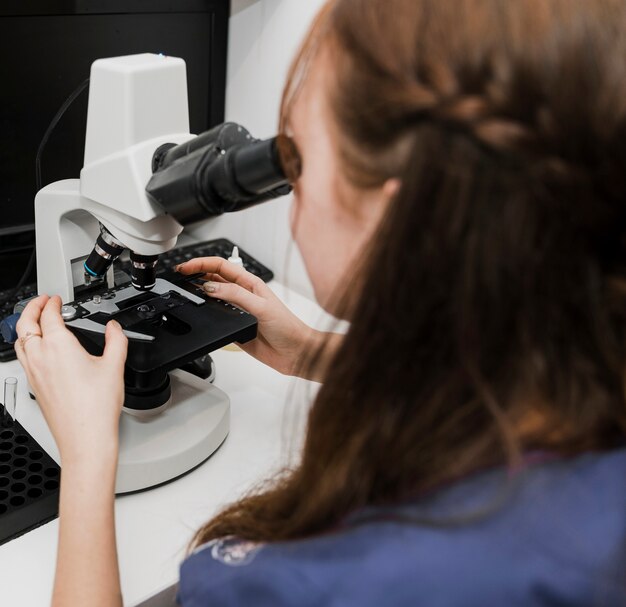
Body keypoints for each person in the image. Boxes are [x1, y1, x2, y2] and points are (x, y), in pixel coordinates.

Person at [13, 0, 626, 604]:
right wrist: (316, 353)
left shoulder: (314, 584)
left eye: (298, 164)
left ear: (397, 218)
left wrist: (88, 459)